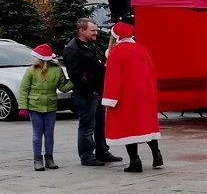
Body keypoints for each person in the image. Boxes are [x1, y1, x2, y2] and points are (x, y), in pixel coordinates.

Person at [102, 22, 163, 173]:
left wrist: (110, 98)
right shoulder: (141, 49)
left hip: (127, 94)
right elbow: (151, 71)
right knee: (145, 124)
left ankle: (135, 161)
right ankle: (157, 154)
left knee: (128, 127)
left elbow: (113, 78)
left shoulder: (116, 52)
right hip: (145, 92)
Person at [63, 18, 122, 166]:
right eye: (93, 30)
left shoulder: (91, 45)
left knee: (100, 124)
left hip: (98, 90)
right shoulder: (72, 49)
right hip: (87, 94)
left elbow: (99, 65)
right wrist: (90, 90)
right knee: (87, 126)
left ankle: (102, 151)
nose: (96, 33)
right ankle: (87, 156)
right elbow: (75, 75)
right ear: (82, 31)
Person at [19, 44, 74, 171]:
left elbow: (63, 87)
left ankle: (49, 158)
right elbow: (23, 89)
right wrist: (23, 106)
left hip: (51, 106)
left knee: (49, 134)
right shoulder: (30, 71)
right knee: (37, 134)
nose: (33, 59)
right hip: (35, 106)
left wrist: (74, 81)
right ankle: (37, 159)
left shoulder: (56, 70)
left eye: (35, 57)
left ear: (42, 58)